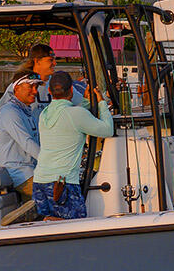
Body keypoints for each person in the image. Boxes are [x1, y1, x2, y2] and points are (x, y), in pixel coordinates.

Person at [32, 71, 113, 220]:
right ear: (71, 90)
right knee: (75, 226)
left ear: (49, 91)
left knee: (48, 229)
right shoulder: (76, 114)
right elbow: (107, 130)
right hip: (62, 184)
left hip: (40, 182)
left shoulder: (44, 114)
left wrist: (87, 100)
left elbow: (71, 113)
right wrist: (101, 102)